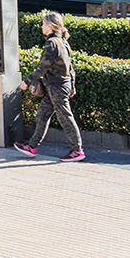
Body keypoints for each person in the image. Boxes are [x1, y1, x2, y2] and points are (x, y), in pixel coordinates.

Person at [14, 10, 83, 161]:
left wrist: (27, 82)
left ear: (50, 26)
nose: (41, 26)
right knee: (42, 115)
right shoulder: (61, 41)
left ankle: (77, 150)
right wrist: (72, 84)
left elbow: (42, 68)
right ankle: (32, 146)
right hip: (57, 87)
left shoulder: (52, 43)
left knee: (65, 118)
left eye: (43, 24)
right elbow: (70, 67)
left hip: (56, 88)